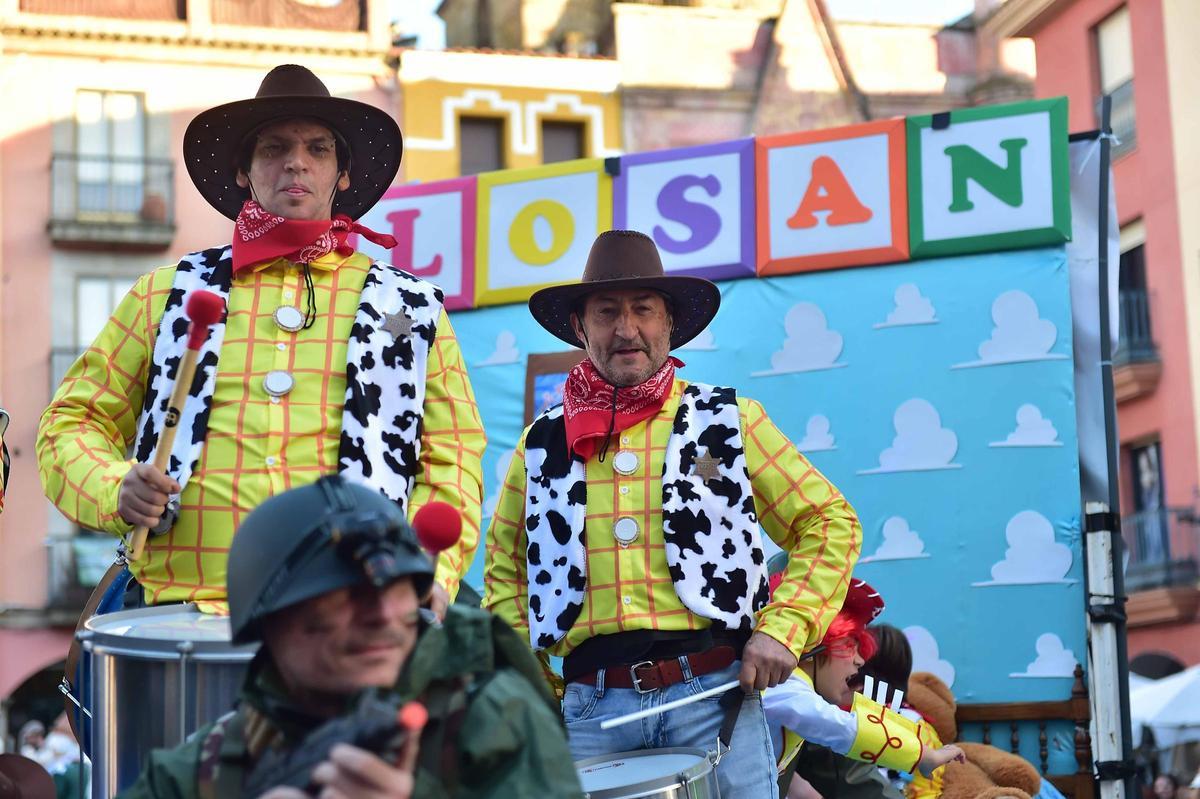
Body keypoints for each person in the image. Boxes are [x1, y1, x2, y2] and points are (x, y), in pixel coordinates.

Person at [37, 64, 484, 614]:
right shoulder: (164, 294)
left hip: (351, 615)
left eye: (318, 149)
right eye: (274, 148)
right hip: (181, 611)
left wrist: (430, 571)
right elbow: (71, 423)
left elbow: (453, 458)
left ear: (341, 175)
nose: (296, 161)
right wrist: (116, 487)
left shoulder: (410, 308)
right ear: (245, 172)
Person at [484, 229, 863, 796]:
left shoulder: (728, 420)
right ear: (579, 327)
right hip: (592, 715)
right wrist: (537, 690)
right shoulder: (541, 443)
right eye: (607, 312)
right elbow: (505, 577)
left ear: (669, 324)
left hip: (716, 695)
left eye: (644, 310)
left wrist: (783, 632)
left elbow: (830, 522)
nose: (626, 328)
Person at [119, 475, 583, 798]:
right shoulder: (208, 767)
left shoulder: (494, 723)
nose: (383, 614)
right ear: (270, 621)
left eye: (400, 588)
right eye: (347, 596)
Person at [766, 579, 963, 798]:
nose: (860, 660)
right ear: (815, 645)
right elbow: (842, 727)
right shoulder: (783, 687)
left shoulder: (788, 691)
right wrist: (923, 756)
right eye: (850, 644)